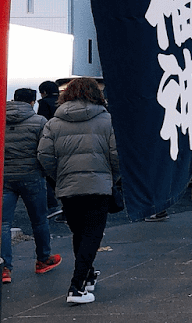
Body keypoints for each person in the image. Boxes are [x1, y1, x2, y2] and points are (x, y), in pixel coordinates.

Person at [37, 77, 119, 305]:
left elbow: (44, 156)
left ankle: (89, 274)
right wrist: (112, 176)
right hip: (98, 185)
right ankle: (77, 286)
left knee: (79, 234)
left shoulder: (54, 122)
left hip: (68, 187)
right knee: (92, 235)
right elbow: (116, 155)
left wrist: (59, 176)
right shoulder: (107, 120)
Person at [2, 88, 61, 284]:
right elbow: (45, 151)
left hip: (4, 178)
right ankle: (43, 260)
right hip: (32, 176)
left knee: (3, 224)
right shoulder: (39, 122)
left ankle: (5, 268)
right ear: (33, 102)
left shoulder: (2, 120)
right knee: (39, 221)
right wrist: (46, 172)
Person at [38, 80, 60, 214]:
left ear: (44, 93)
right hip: (65, 140)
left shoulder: (45, 103)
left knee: (47, 172)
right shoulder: (63, 102)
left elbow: (42, 123)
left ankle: (52, 204)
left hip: (51, 140)